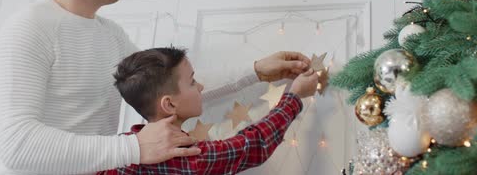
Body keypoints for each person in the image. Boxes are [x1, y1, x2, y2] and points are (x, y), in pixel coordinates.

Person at [0, 0, 312, 175]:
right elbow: (16, 143)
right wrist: (134, 148)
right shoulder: (28, 29)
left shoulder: (111, 35)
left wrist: (255, 72)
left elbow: (166, 89)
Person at [97, 46, 318, 174]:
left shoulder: (118, 150)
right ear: (169, 104)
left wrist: (256, 71)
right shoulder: (185, 157)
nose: (201, 87)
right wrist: (294, 96)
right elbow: (253, 145)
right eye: (193, 82)